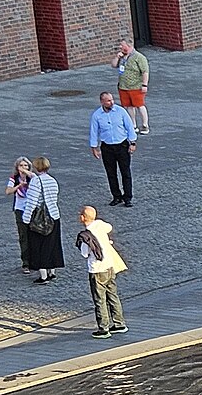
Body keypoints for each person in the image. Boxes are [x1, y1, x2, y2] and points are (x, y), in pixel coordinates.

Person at [74, 204, 128, 337]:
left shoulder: (86, 236)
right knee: (113, 295)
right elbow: (109, 227)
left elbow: (85, 253)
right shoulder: (100, 225)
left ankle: (103, 328)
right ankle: (119, 323)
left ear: (82, 218)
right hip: (109, 266)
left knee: (100, 299)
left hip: (97, 270)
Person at [19, 156, 63, 282]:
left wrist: (26, 219)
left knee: (39, 245)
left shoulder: (36, 182)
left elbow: (32, 202)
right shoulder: (52, 180)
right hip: (54, 216)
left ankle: (43, 275)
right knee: (52, 245)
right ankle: (52, 272)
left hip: (40, 218)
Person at [89, 91, 137, 207]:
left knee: (125, 172)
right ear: (102, 102)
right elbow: (94, 132)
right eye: (108, 101)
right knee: (111, 173)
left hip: (122, 145)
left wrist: (133, 142)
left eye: (112, 100)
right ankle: (116, 196)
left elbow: (129, 127)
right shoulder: (97, 115)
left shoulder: (121, 111)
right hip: (107, 147)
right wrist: (94, 147)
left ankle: (128, 197)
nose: (112, 102)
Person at [115, 39, 150, 133]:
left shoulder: (139, 57)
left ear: (129, 46)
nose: (120, 47)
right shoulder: (122, 57)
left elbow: (145, 72)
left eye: (122, 45)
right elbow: (114, 65)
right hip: (123, 86)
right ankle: (133, 125)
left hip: (136, 86)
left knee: (139, 105)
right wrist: (117, 58)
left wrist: (144, 84)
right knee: (129, 106)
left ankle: (145, 125)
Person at [5, 156, 32, 270]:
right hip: (20, 209)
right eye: (21, 165)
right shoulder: (14, 178)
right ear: (17, 167)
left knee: (33, 234)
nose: (23, 167)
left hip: (31, 208)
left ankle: (35, 259)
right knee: (23, 235)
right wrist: (19, 186)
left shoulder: (32, 178)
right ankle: (26, 261)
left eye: (26, 165)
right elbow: (8, 191)